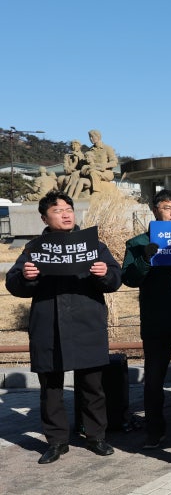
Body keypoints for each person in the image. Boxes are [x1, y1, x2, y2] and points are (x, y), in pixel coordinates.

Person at [5, 191, 121, 464]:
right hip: (49, 326)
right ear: (44, 217)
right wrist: (26, 277)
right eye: (58, 210)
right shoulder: (35, 247)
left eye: (69, 208)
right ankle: (57, 442)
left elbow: (116, 279)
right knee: (51, 388)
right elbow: (13, 283)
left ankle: (96, 436)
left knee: (93, 386)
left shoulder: (93, 245)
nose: (66, 213)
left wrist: (105, 273)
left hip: (87, 323)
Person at [121, 189, 171, 448]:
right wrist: (145, 259)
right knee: (154, 380)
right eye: (167, 207)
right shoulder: (137, 243)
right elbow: (130, 279)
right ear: (155, 210)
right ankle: (155, 430)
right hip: (157, 321)